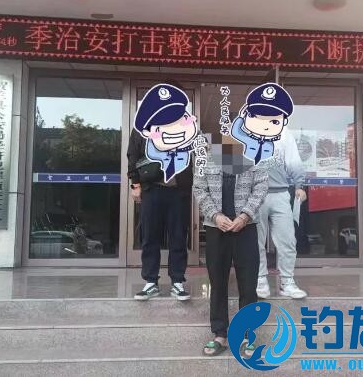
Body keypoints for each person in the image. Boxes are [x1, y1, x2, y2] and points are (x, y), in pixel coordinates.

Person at [194, 136, 268, 356]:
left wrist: (245, 216)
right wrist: (215, 216)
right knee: (218, 283)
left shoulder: (255, 157)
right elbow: (199, 189)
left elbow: (261, 187)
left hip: (246, 228)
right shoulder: (206, 158)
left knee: (248, 283)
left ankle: (247, 334)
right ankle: (220, 334)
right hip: (217, 229)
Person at [127, 83, 194, 301]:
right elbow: (133, 156)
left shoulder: (187, 126)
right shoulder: (142, 128)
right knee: (150, 236)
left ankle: (177, 281)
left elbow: (197, 155)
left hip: (178, 191)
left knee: (178, 237)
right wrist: (135, 184)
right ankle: (150, 282)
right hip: (152, 189)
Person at [256, 127, 308, 299]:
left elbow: (293, 160)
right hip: (254, 194)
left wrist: (299, 185)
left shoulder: (283, 132)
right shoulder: (245, 128)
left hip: (280, 193)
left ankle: (287, 282)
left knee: (287, 240)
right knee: (256, 241)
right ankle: (260, 279)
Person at [230, 83, 293, 165]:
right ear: (246, 115)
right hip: (247, 166)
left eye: (274, 122)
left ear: (284, 122)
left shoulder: (276, 143)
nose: (264, 126)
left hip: (267, 169)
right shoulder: (250, 140)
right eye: (254, 117)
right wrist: (241, 118)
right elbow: (236, 132)